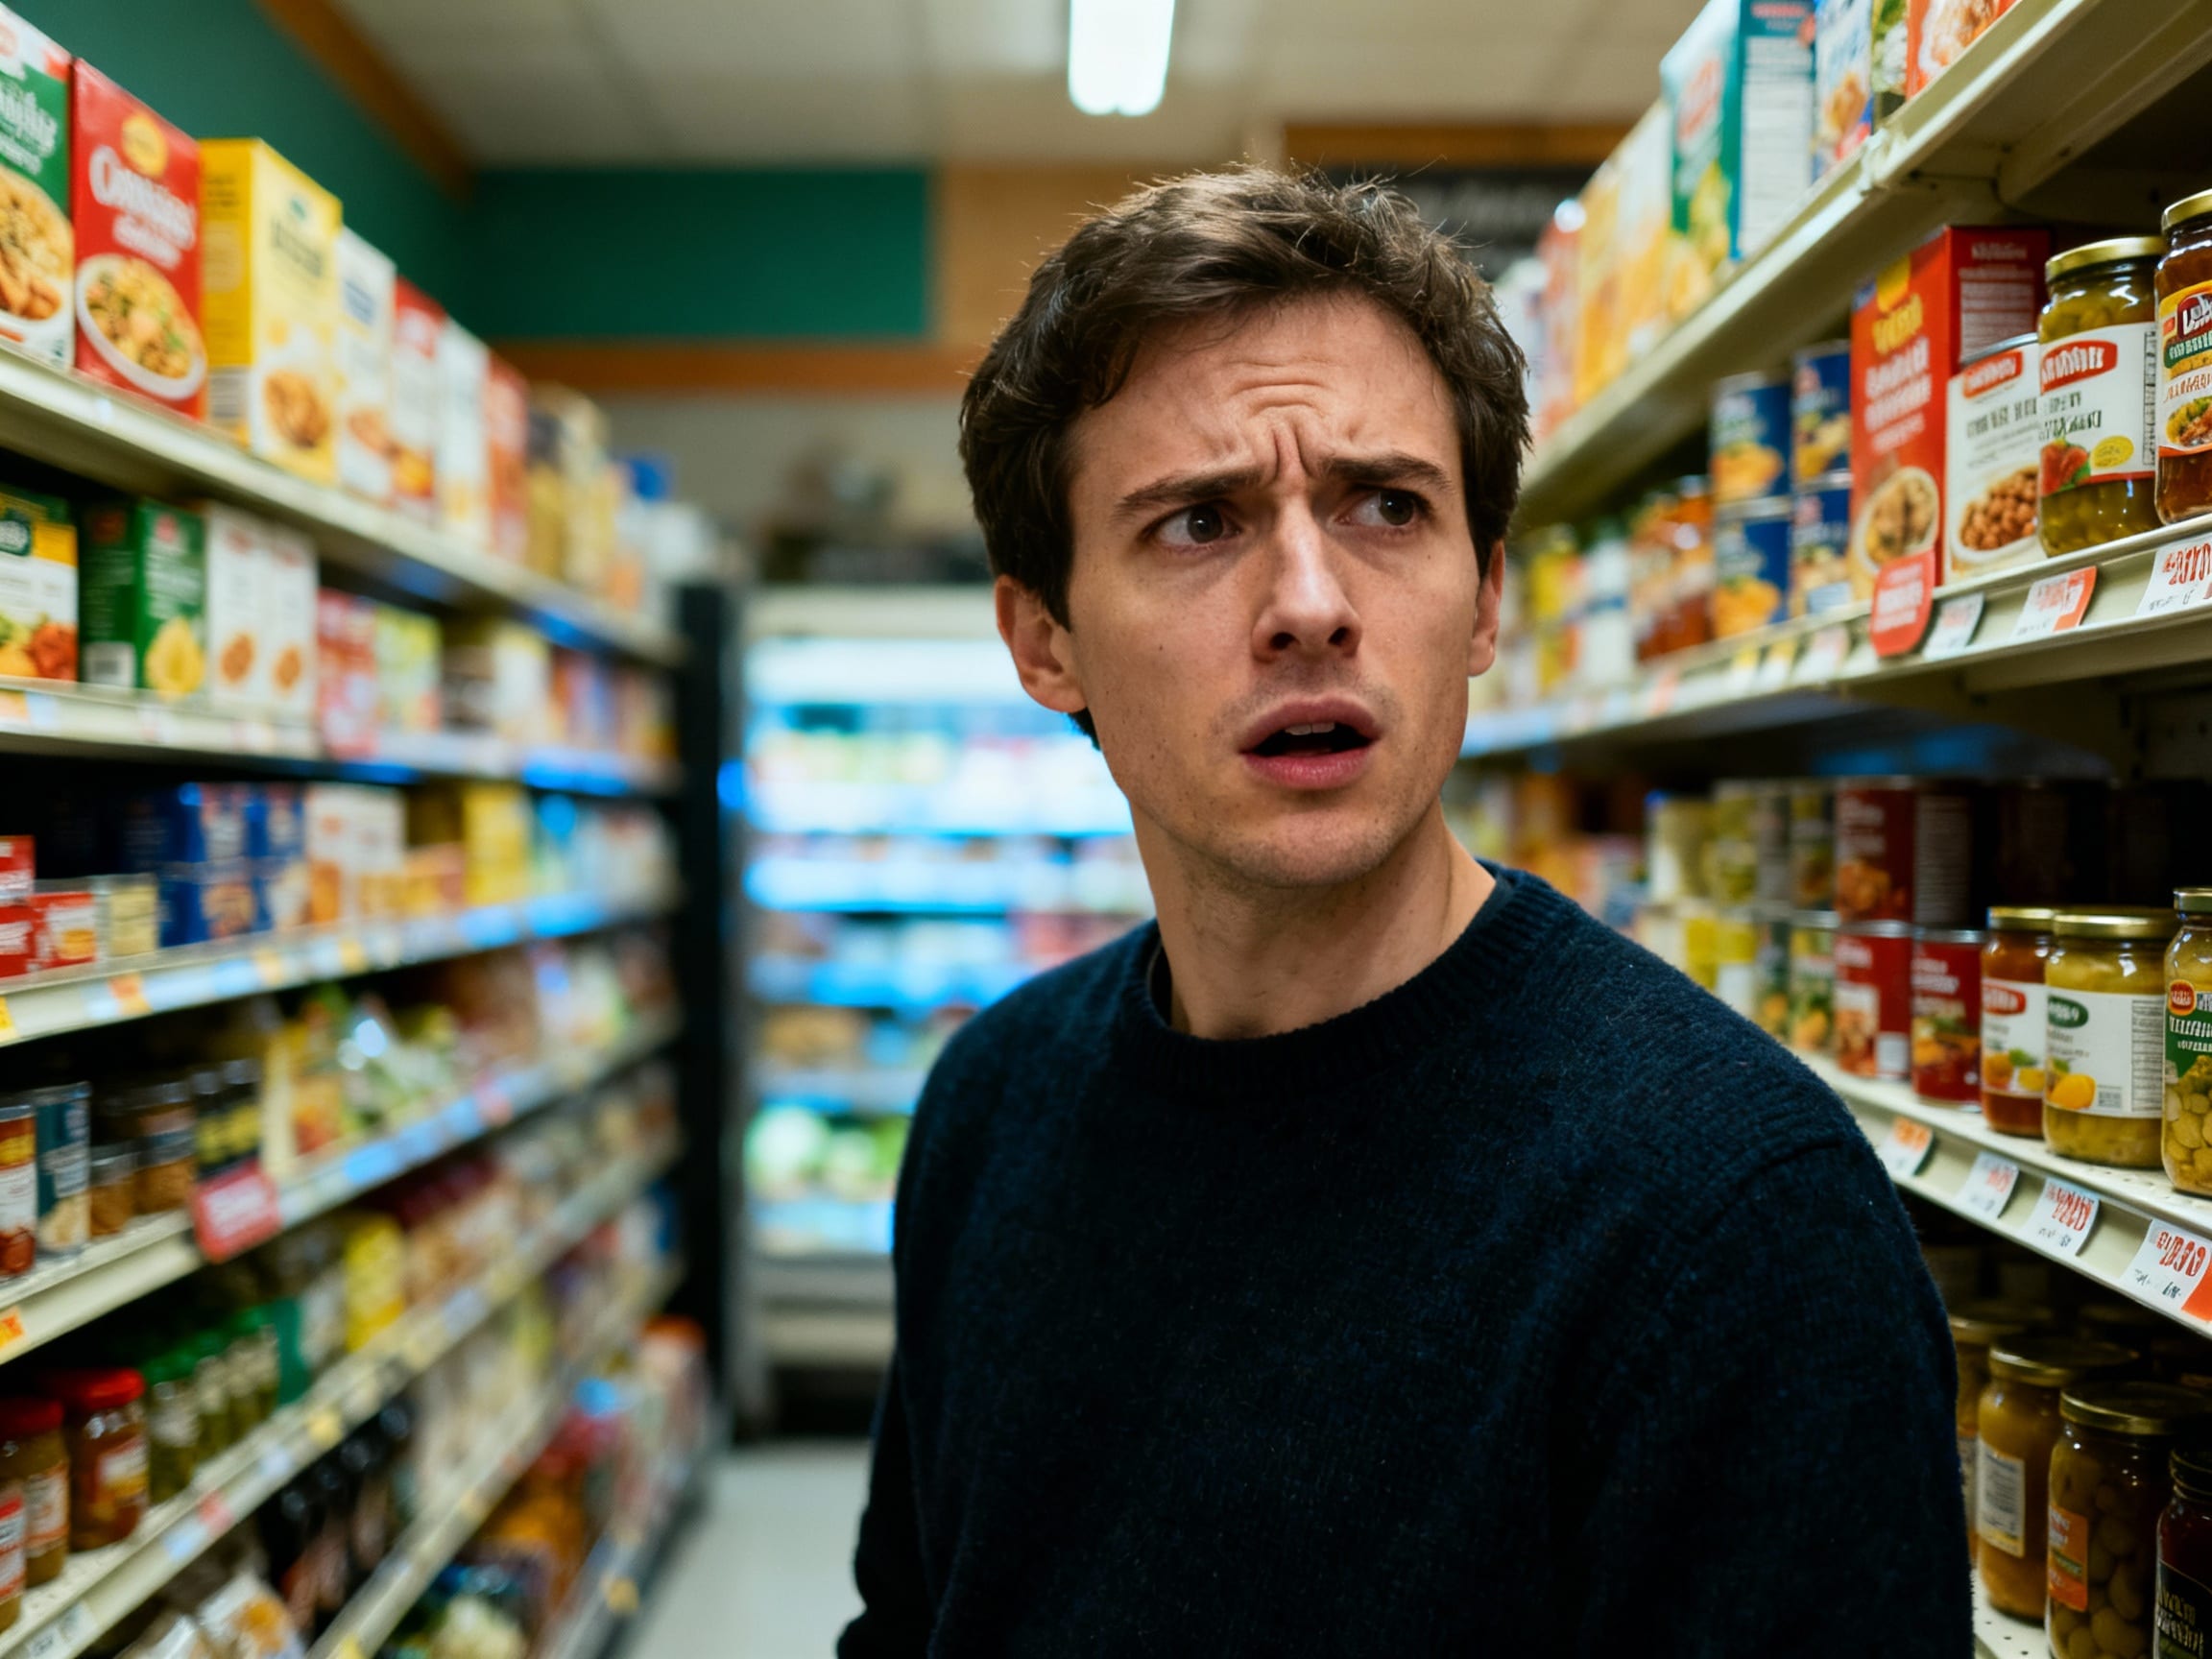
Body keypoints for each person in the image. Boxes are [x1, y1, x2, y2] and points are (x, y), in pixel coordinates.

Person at [839, 167, 1967, 1655]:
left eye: (1386, 506)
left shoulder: (1737, 1222)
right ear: (1046, 640)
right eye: (1198, 522)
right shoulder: (991, 1107)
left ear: (1487, 597)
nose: (1311, 600)